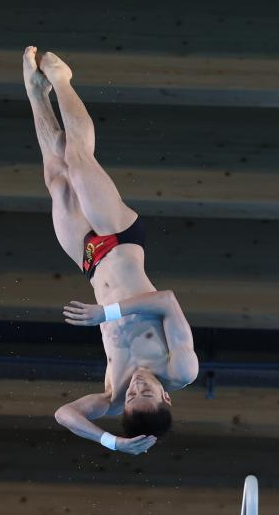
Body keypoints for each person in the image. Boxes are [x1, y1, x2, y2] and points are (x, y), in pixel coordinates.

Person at [22, 47, 199, 455]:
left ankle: (36, 94)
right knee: (78, 160)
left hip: (89, 260)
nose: (136, 386)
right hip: (120, 239)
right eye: (146, 393)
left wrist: (110, 440)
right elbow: (168, 302)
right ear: (166, 396)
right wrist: (107, 313)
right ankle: (62, 78)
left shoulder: (111, 394)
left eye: (133, 396)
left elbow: (64, 414)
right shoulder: (180, 369)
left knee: (57, 177)